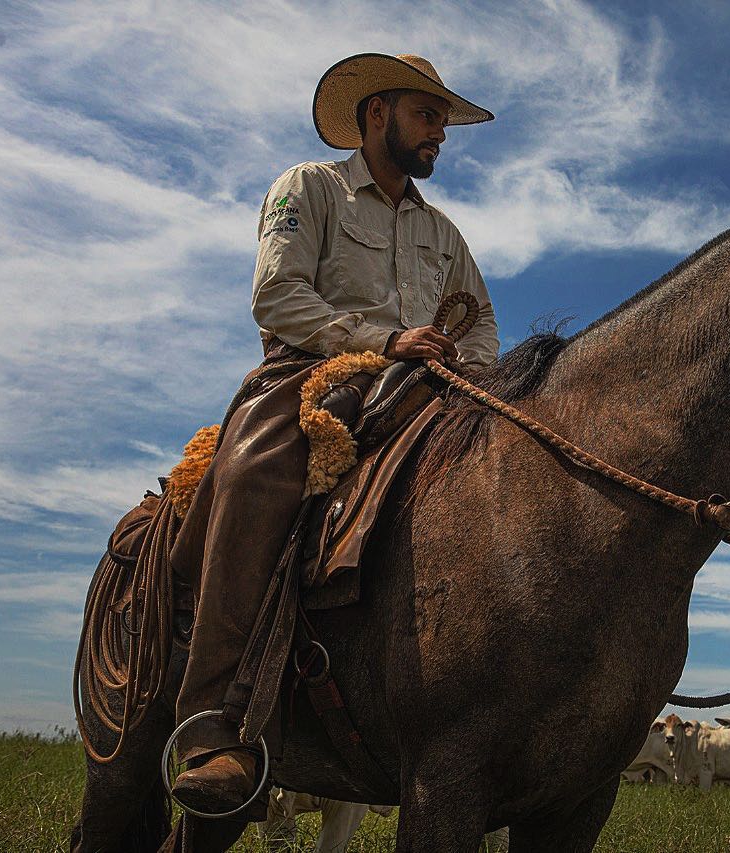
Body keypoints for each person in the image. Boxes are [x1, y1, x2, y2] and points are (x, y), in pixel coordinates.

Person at [169, 52, 500, 814]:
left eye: (444, 120)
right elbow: (276, 293)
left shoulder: (444, 232)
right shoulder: (307, 188)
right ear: (376, 112)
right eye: (428, 114)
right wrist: (380, 343)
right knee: (256, 468)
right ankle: (215, 725)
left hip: (428, 389)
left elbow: (479, 322)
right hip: (311, 375)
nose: (440, 132)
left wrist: (475, 381)